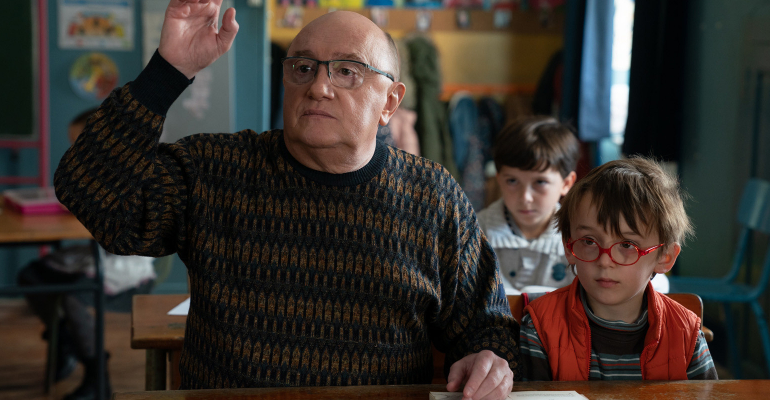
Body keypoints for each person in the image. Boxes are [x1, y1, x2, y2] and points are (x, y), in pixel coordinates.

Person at [53, 0, 519, 398]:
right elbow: (90, 192)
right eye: (303, 68)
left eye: (348, 72)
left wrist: (490, 359)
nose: (318, 86)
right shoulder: (215, 169)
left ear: (390, 103)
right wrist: (167, 72)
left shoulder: (433, 197)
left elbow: (485, 326)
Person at [519, 156, 718, 381]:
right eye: (589, 241)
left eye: (626, 245)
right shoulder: (540, 325)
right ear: (568, 245)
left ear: (665, 256)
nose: (605, 261)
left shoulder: (686, 332)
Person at [18, 109, 156, 400]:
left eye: (79, 142)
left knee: (73, 294)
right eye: (72, 143)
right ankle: (66, 340)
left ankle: (98, 378)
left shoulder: (130, 170)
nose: (74, 150)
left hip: (126, 265)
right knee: (31, 275)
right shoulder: (93, 170)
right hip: (96, 253)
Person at [476, 116, 578, 295]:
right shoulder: (476, 231)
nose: (525, 197)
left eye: (540, 182)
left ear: (566, 183)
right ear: (499, 179)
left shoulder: (578, 237)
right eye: (512, 181)